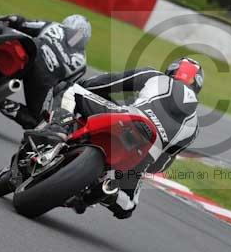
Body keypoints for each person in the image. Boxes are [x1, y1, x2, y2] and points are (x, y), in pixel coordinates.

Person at [27, 57, 204, 219]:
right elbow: (161, 165)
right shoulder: (195, 127)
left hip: (128, 119)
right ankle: (103, 190)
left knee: (70, 89)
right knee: (127, 206)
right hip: (144, 155)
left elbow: (109, 82)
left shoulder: (154, 76)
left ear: (171, 71)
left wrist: (87, 85)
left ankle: (58, 129)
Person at [0, 14, 91, 128]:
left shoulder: (54, 27)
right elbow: (63, 87)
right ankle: (0, 102)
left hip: (32, 50)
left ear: (67, 23)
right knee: (37, 120)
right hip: (45, 77)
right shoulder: (82, 62)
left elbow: (20, 21)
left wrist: (2, 19)